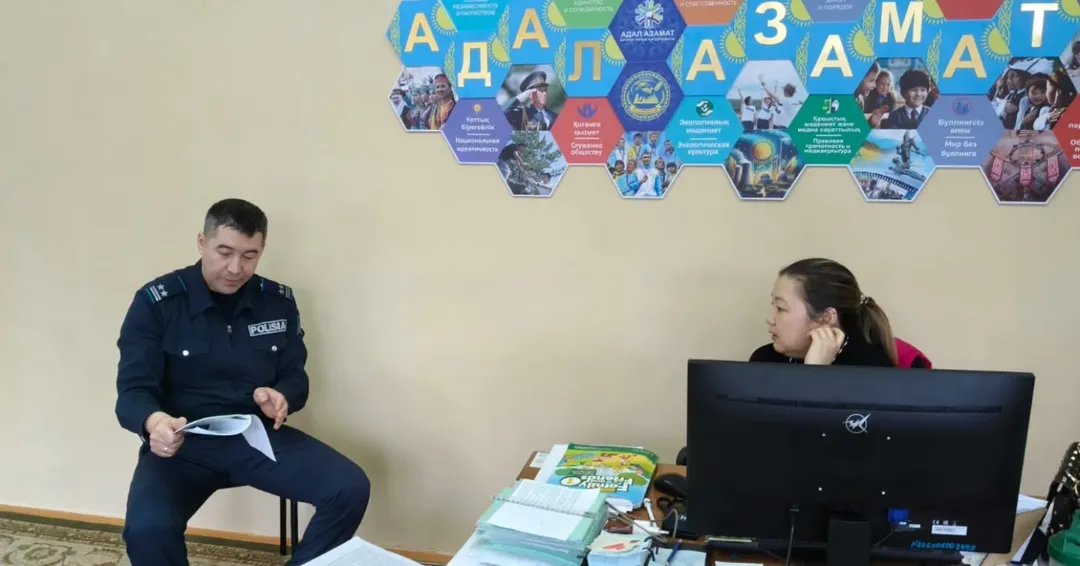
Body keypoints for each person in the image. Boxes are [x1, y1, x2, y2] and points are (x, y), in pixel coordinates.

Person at [114, 198, 370, 566]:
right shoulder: (157, 303)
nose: (236, 268)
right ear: (202, 243)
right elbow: (133, 391)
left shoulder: (277, 301)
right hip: (183, 445)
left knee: (349, 487)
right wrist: (155, 423)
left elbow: (295, 375)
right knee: (147, 530)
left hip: (256, 438)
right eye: (225, 252)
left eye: (250, 256)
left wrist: (282, 396)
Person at [751, 257, 897, 367]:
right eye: (773, 305)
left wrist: (815, 372)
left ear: (826, 318)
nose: (770, 319)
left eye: (780, 308)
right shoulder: (764, 360)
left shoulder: (870, 368)